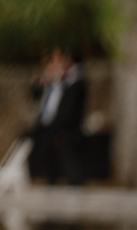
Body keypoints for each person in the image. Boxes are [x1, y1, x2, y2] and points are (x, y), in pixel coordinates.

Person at [27, 48, 88, 184]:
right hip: (46, 127)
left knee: (68, 162)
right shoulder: (53, 81)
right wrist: (45, 79)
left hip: (65, 129)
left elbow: (71, 109)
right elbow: (34, 94)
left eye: (57, 59)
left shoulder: (74, 81)